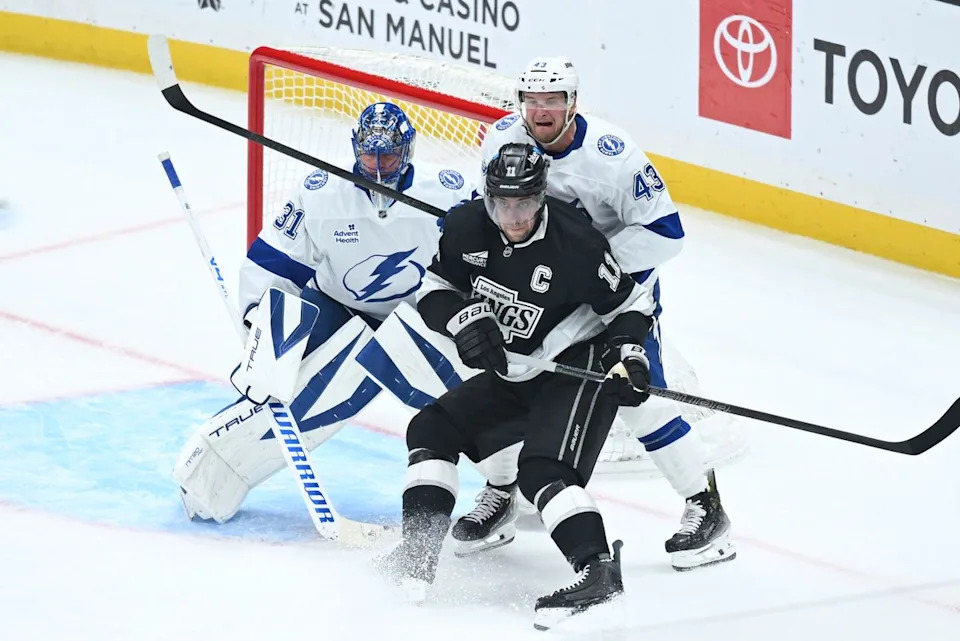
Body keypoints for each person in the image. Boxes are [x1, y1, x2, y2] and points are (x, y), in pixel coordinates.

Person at [452, 57, 735, 571]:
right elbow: (487, 210)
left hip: (613, 296)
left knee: (637, 399)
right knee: (502, 380)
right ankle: (502, 494)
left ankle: (705, 505)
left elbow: (666, 234)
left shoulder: (614, 157)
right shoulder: (500, 140)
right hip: (536, 295)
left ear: (572, 103)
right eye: (532, 102)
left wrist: (584, 267)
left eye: (552, 101)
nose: (541, 112)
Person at [377, 143, 654, 630]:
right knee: (431, 429)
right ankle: (418, 553)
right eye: (503, 203)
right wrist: (462, 320)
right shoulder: (465, 226)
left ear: (542, 196)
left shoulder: (578, 244)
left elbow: (630, 305)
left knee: (542, 468)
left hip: (577, 363)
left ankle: (597, 572)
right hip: (518, 369)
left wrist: (628, 353)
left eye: (524, 203)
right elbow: (433, 290)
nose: (514, 216)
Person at [172, 102, 473, 523]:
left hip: (420, 316)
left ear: (408, 151)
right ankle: (211, 476)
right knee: (284, 395)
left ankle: (511, 483)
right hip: (337, 308)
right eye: (370, 155)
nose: (379, 167)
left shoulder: (451, 193)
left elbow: (482, 258)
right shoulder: (320, 192)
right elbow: (275, 263)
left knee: (474, 396)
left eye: (388, 156)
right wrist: (261, 330)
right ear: (355, 149)